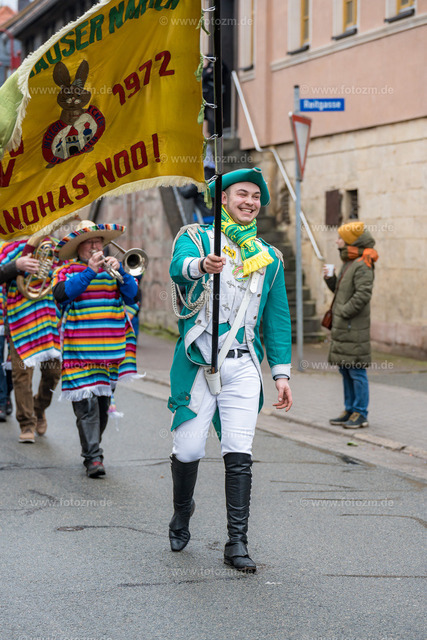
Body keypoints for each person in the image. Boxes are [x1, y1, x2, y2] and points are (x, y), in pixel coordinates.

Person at [168, 167, 293, 572]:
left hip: (243, 366)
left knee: (239, 451)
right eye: (242, 194)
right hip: (199, 362)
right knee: (188, 449)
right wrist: (203, 265)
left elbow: (277, 319)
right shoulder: (196, 238)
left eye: (256, 197)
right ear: (223, 199)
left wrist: (281, 374)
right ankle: (182, 512)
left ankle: (236, 542)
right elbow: (178, 267)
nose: (250, 202)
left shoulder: (269, 257)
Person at [52, 220, 139, 478]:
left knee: (101, 407)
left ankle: (92, 449)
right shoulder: (67, 270)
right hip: (79, 352)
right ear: (78, 247)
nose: (94, 246)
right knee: (86, 406)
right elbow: (61, 294)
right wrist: (90, 271)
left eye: (98, 242)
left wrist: (123, 274)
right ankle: (93, 457)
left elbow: (133, 296)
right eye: (89, 242)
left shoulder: (114, 271)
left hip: (111, 352)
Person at [0, 238, 62, 442]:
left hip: (47, 320)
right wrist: (15, 266)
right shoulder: (10, 247)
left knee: (53, 372)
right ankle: (26, 423)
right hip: (19, 320)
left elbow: (65, 275)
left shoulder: (54, 246)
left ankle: (39, 407)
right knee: (22, 375)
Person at [323, 221, 378, 429]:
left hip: (353, 328)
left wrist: (343, 312)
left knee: (356, 372)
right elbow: (342, 294)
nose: (337, 240)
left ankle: (360, 413)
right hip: (345, 327)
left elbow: (363, 295)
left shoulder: (363, 263)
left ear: (350, 241)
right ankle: (349, 410)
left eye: (340, 238)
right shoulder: (350, 262)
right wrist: (331, 279)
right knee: (345, 370)